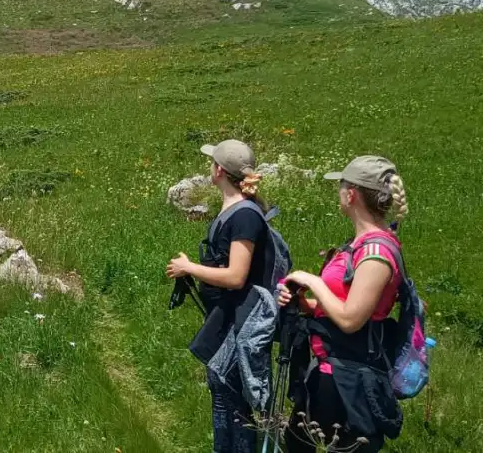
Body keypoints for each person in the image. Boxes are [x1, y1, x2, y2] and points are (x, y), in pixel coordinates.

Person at [277, 156, 410, 453]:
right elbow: (339, 306)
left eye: (341, 188)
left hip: (350, 381)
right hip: (329, 371)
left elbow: (352, 319)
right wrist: (303, 302)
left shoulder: (376, 253)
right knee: (298, 444)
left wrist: (314, 281)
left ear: (351, 195)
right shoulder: (360, 244)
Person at [166, 140, 269, 453]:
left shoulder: (245, 217)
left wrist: (190, 268)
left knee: (234, 404)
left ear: (220, 170)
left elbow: (236, 276)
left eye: (212, 162)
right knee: (223, 397)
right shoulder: (233, 210)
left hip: (240, 322)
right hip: (225, 318)